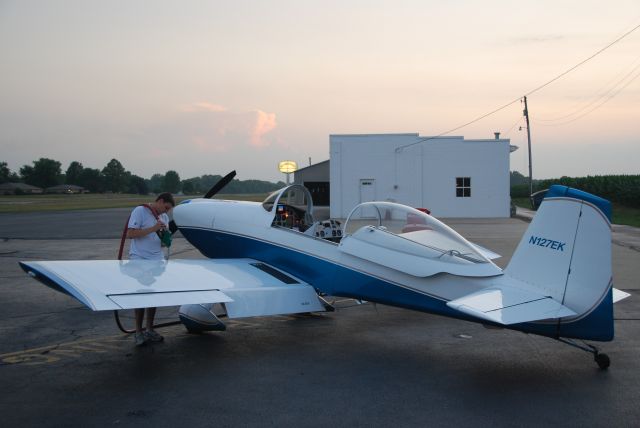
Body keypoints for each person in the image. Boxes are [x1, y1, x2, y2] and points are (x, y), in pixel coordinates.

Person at [126, 192, 175, 346]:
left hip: (156, 259)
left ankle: (149, 329)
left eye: (168, 210)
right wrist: (153, 228)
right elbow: (131, 234)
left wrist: (166, 240)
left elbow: (160, 242)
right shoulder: (140, 211)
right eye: (166, 208)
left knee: (153, 295)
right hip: (139, 258)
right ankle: (138, 332)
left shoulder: (165, 218)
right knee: (141, 294)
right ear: (160, 201)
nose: (166, 212)